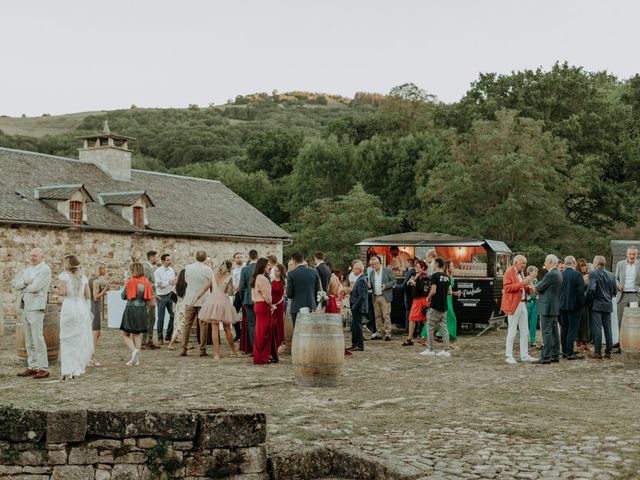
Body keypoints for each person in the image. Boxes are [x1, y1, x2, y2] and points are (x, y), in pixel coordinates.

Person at [14, 248, 52, 379]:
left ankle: (43, 367)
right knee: (29, 340)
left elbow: (36, 288)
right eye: (31, 256)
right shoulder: (28, 270)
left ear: (41, 256)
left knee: (37, 338)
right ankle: (32, 366)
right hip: (25, 306)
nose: (32, 258)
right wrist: (25, 282)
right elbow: (16, 285)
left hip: (36, 307)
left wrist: (25, 286)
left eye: (35, 256)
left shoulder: (45, 269)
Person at [58, 254, 93, 380]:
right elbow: (88, 295)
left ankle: (67, 370)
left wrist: (55, 290)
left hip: (69, 307)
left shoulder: (64, 276)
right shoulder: (83, 277)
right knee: (78, 339)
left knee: (67, 339)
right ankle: (76, 368)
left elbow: (62, 293)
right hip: (81, 308)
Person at [195, 260, 239, 359]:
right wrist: (234, 289)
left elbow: (204, 289)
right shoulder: (229, 277)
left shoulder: (213, 276)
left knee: (214, 328)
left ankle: (216, 354)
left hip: (212, 301)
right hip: (223, 301)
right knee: (227, 328)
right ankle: (233, 351)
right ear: (229, 268)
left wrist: (196, 299)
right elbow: (231, 293)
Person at [501, 255, 536, 364]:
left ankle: (524, 355)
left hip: (522, 304)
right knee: (512, 331)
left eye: (525, 263)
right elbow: (507, 288)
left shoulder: (521, 273)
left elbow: (521, 287)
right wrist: (523, 283)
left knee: (525, 331)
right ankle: (509, 356)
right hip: (513, 305)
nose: (524, 266)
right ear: (516, 262)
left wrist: (529, 288)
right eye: (523, 263)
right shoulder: (508, 272)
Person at [180, 251, 214, 357]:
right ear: (205, 258)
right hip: (204, 300)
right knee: (203, 325)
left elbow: (186, 280)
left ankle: (183, 348)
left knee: (187, 324)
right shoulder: (208, 270)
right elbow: (212, 283)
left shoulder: (188, 268)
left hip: (190, 299)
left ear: (195, 257)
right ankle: (202, 349)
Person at [120, 262, 154, 366]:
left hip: (131, 308)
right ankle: (136, 359)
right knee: (137, 334)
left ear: (133, 270)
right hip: (142, 309)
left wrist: (125, 284)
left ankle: (134, 350)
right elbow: (148, 297)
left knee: (125, 334)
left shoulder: (131, 282)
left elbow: (123, 296)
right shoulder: (146, 282)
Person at [421, 258, 455, 357]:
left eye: (432, 263)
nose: (431, 264)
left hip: (435, 305)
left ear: (436, 264)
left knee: (430, 326)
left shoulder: (434, 276)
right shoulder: (447, 277)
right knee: (444, 328)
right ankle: (446, 350)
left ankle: (431, 349)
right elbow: (449, 292)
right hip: (444, 306)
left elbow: (433, 290)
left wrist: (428, 297)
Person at [533, 254, 563, 365]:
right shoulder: (558, 273)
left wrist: (535, 288)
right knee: (554, 332)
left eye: (546, 261)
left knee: (546, 332)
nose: (544, 263)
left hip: (547, 307)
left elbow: (538, 288)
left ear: (550, 262)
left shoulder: (551, 274)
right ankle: (555, 354)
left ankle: (546, 356)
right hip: (553, 306)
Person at [587, 255, 617, 359]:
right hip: (608, 303)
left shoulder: (593, 274)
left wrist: (589, 300)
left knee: (597, 329)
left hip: (597, 304)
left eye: (593, 262)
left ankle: (597, 352)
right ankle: (608, 351)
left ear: (596, 263)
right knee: (608, 328)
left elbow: (591, 289)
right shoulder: (611, 275)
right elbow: (614, 291)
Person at [614, 246, 640, 351]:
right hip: (622, 295)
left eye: (634, 254)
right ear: (627, 254)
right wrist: (618, 285)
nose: (632, 256)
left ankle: (634, 344)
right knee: (621, 321)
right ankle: (621, 345)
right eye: (630, 254)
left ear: (637, 255)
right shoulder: (620, 264)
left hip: (635, 295)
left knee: (634, 321)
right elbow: (615, 278)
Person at [559, 256, 585, 360]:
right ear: (574, 263)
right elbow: (580, 292)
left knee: (564, 329)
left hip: (562, 306)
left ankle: (565, 351)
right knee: (572, 329)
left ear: (565, 264)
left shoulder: (561, 274)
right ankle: (570, 352)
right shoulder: (577, 275)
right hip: (574, 306)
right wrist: (581, 304)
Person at [251, 258, 277, 364]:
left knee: (260, 331)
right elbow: (267, 296)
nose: (269, 267)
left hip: (258, 305)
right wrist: (271, 305)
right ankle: (262, 357)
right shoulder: (263, 279)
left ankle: (262, 355)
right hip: (263, 305)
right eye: (267, 265)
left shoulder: (256, 277)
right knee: (264, 332)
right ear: (262, 266)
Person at [286, 252, 320, 327]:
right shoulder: (314, 272)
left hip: (296, 307)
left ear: (294, 261)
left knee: (297, 333)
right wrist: (315, 305)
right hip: (311, 306)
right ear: (303, 259)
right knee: (309, 331)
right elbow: (318, 292)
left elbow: (289, 294)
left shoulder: (291, 274)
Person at [402, 260, 430, 346]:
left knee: (424, 320)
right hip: (415, 300)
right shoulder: (413, 276)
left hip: (422, 300)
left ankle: (426, 339)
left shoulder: (425, 277)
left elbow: (424, 289)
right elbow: (406, 287)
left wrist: (414, 283)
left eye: (418, 267)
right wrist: (408, 283)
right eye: (415, 266)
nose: (416, 268)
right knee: (413, 319)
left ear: (422, 268)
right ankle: (410, 338)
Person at [368, 256, 395, 341]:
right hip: (375, 296)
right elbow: (371, 285)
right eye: (372, 265)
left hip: (385, 296)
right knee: (377, 316)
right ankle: (379, 332)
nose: (373, 266)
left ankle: (388, 333)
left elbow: (394, 281)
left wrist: (386, 286)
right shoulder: (372, 273)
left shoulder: (387, 270)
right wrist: (369, 286)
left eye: (375, 264)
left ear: (379, 263)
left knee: (386, 315)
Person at [89, 261, 109, 367]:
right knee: (95, 333)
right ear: (98, 269)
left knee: (95, 333)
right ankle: (91, 357)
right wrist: (105, 290)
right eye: (103, 269)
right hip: (94, 307)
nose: (105, 271)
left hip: (91, 306)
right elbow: (96, 297)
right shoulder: (96, 281)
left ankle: (90, 356)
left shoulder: (90, 280)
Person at [239, 249, 259, 353]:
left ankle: (253, 348)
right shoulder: (260, 268)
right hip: (260, 300)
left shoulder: (245, 269)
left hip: (248, 299)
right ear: (257, 256)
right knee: (260, 324)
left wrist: (243, 299)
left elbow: (241, 286)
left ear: (249, 257)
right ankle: (260, 347)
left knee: (252, 324)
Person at [155, 253, 176, 345]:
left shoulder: (172, 270)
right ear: (163, 261)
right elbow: (158, 284)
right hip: (161, 296)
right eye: (168, 260)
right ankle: (160, 338)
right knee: (161, 317)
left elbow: (173, 282)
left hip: (171, 295)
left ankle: (168, 336)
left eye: (170, 260)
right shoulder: (157, 271)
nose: (170, 261)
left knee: (173, 315)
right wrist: (168, 282)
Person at [348, 260, 368, 352]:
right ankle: (355, 343)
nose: (352, 270)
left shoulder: (361, 280)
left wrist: (355, 306)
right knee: (355, 326)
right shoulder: (360, 279)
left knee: (358, 326)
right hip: (356, 305)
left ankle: (359, 345)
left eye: (354, 269)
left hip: (358, 307)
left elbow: (361, 296)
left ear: (358, 270)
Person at [141, 251, 159, 350]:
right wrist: (156, 285)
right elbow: (144, 283)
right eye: (156, 257)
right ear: (151, 257)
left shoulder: (150, 268)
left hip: (152, 297)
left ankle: (150, 340)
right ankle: (144, 342)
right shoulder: (146, 268)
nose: (157, 259)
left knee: (152, 318)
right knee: (148, 319)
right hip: (148, 298)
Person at [167, 269, 187, 350]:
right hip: (184, 306)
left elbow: (172, 295)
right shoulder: (187, 285)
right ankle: (171, 344)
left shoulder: (177, 284)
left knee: (179, 325)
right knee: (181, 325)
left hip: (178, 305)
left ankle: (186, 343)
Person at [576, 258, 592, 353]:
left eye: (585, 265)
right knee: (579, 323)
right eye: (581, 265)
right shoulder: (577, 276)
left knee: (586, 323)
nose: (583, 267)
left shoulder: (589, 276)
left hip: (586, 303)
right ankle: (578, 343)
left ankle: (585, 343)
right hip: (578, 303)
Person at [271, 263, 287, 349]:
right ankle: (272, 341)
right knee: (272, 323)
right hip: (271, 304)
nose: (275, 272)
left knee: (279, 323)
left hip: (279, 304)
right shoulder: (271, 279)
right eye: (275, 270)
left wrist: (277, 303)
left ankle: (280, 341)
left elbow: (284, 295)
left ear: (281, 272)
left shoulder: (284, 281)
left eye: (277, 271)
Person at [231, 252, 245, 341]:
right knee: (233, 312)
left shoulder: (245, 267)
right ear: (234, 259)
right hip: (238, 293)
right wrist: (235, 287)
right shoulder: (234, 270)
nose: (239, 259)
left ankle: (245, 334)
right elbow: (234, 282)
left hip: (245, 292)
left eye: (240, 257)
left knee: (246, 313)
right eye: (237, 257)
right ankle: (238, 333)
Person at [526, 265, 539, 348]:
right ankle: (523, 338)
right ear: (530, 272)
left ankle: (533, 340)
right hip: (527, 302)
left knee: (533, 322)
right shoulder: (525, 279)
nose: (536, 273)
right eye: (535, 271)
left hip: (535, 302)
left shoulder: (536, 281)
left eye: (537, 271)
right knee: (525, 321)